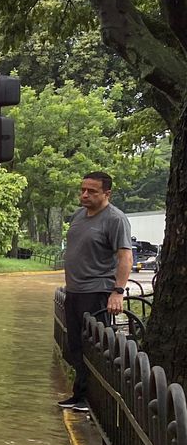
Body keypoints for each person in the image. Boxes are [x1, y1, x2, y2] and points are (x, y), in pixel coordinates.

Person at [57, 170, 132, 412]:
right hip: (75, 291)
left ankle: (93, 401)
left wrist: (117, 292)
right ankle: (79, 395)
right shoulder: (79, 215)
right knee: (75, 346)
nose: (85, 194)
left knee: (94, 347)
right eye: (83, 190)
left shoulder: (115, 219)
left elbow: (125, 257)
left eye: (92, 191)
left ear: (107, 193)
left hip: (97, 291)